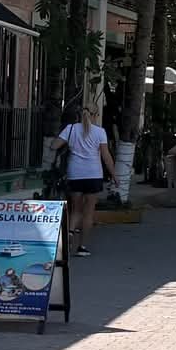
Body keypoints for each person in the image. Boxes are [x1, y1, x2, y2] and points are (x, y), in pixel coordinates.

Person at [52, 103, 117, 257]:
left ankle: (70, 232)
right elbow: (106, 156)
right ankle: (82, 247)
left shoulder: (71, 129)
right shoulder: (100, 132)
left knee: (76, 210)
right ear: (95, 115)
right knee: (88, 213)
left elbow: (54, 146)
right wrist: (114, 175)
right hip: (94, 175)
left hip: (75, 174)